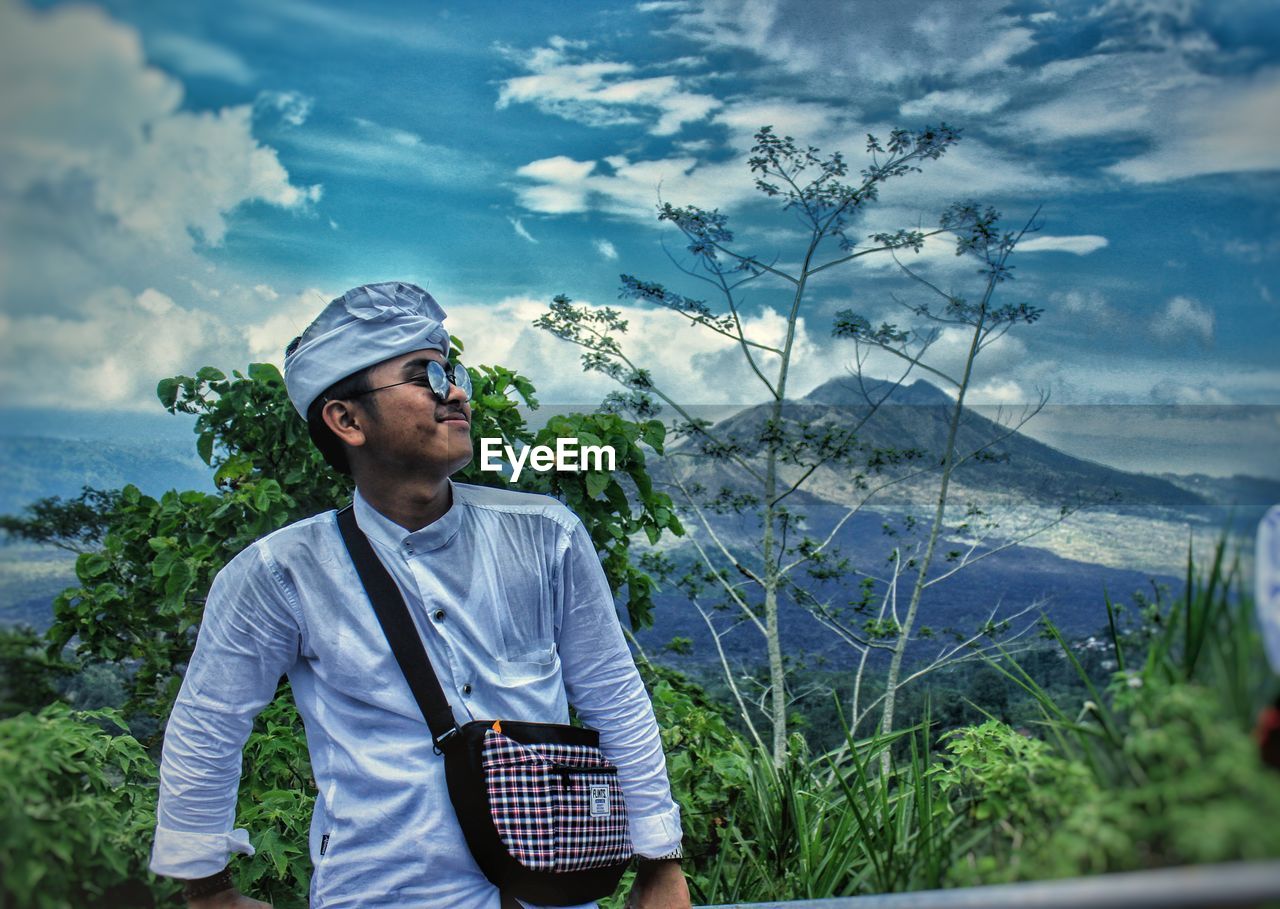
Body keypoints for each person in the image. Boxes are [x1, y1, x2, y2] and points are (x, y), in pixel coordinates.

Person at [149, 282, 691, 909]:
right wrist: (209, 891)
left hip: (548, 893)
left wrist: (660, 862)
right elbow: (209, 726)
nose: (456, 391)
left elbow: (613, 695)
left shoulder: (546, 535)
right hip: (382, 892)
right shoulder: (280, 573)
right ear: (347, 420)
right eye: (425, 376)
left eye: (450, 370)